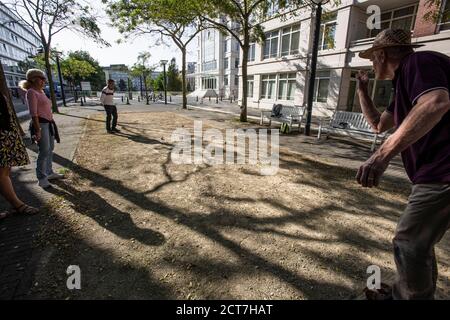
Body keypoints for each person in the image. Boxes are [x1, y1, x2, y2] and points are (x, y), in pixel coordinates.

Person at [355, 29, 450, 300]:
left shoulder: (419, 63)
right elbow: (378, 124)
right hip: (435, 175)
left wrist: (380, 157)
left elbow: (436, 102)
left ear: (382, 55)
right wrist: (362, 90)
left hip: (443, 173)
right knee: (420, 242)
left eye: (373, 59)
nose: (373, 65)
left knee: (407, 242)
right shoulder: (404, 85)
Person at [19, 69, 64, 189]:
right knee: (44, 151)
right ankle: (41, 178)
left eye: (44, 78)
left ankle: (49, 172)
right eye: (42, 78)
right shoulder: (31, 92)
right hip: (41, 124)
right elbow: (33, 113)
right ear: (33, 79)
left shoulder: (41, 92)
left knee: (50, 149)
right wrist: (37, 129)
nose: (44, 80)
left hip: (48, 124)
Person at [0, 92, 39, 219]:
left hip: (6, 136)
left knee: (5, 173)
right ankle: (18, 205)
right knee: (2, 174)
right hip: (3, 136)